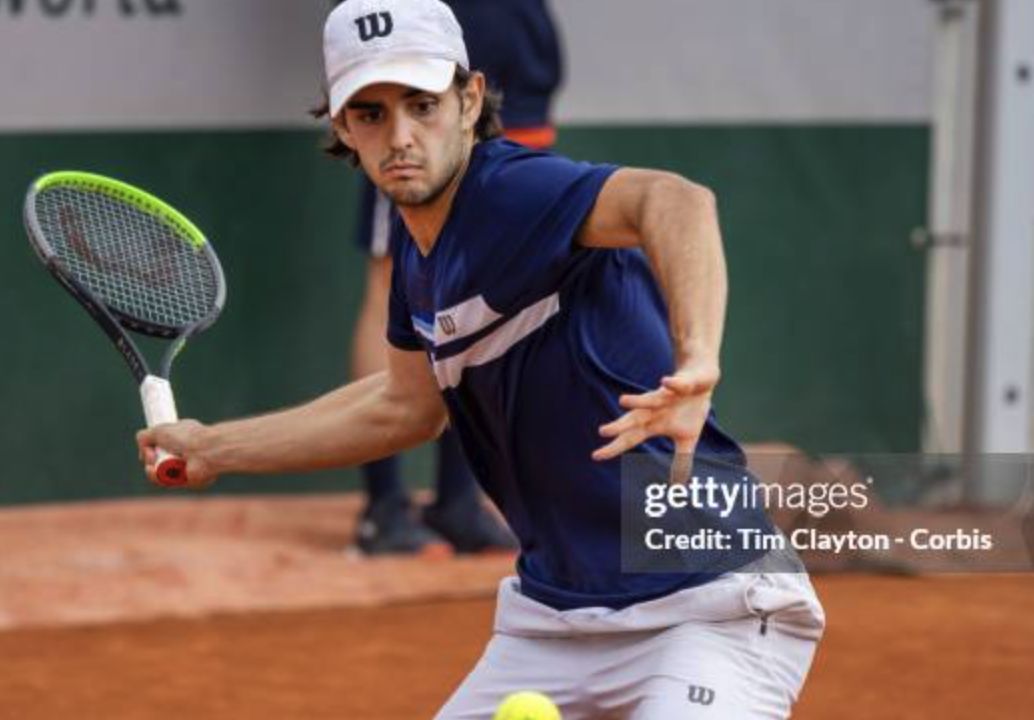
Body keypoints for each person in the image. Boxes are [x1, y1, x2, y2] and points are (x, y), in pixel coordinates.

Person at [138, 0, 825, 716]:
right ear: (342, 127)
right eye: (370, 114)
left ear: (469, 101)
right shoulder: (417, 251)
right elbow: (403, 406)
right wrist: (215, 447)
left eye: (422, 104)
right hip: (553, 622)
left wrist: (697, 362)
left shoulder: (509, 191)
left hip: (705, 604)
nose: (401, 136)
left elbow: (675, 200)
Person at [344, 0, 562, 556]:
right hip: (409, 47)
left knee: (488, 278)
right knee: (390, 278)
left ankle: (459, 500)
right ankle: (385, 505)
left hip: (515, 45)